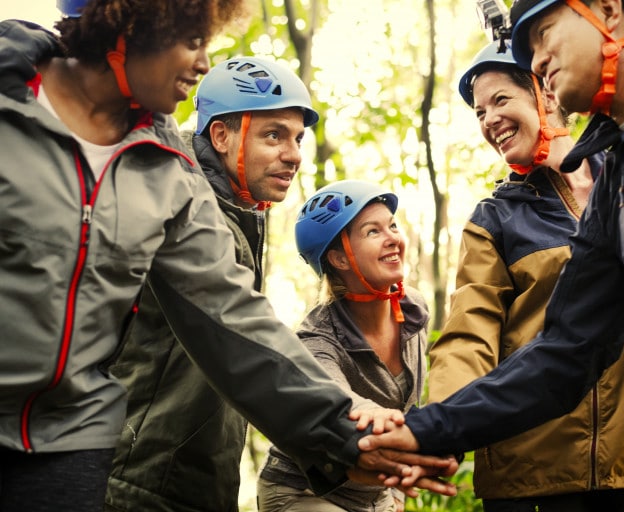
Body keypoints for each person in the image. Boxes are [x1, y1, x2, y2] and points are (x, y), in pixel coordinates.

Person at [0, 1, 455, 510]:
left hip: (76, 446)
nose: (202, 64)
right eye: (192, 39)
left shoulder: (168, 171)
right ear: (134, 21)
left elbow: (231, 317)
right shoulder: (12, 104)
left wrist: (342, 432)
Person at [358, 0, 624, 510]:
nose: (537, 60)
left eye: (545, 34)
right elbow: (567, 347)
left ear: (608, 9)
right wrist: (430, 429)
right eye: (479, 111)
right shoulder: (614, 189)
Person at [426, 40, 624, 511]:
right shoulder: (494, 220)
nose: (489, 120)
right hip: (530, 478)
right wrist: (441, 427)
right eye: (479, 112)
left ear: (544, 91)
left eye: (500, 100)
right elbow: (469, 334)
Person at [104, 55, 318, 512]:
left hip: (191, 483)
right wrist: (342, 432)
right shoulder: (181, 207)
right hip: (139, 483)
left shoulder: (237, 212)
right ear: (220, 135)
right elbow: (245, 341)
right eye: (274, 135)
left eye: (298, 138)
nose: (294, 154)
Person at [257, 180, 429, 512]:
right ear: (339, 258)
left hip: (373, 494)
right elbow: (333, 399)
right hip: (305, 493)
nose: (393, 238)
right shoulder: (317, 338)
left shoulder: (413, 310)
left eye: (392, 225)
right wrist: (370, 412)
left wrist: (396, 493)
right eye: (373, 231)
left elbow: (410, 406)